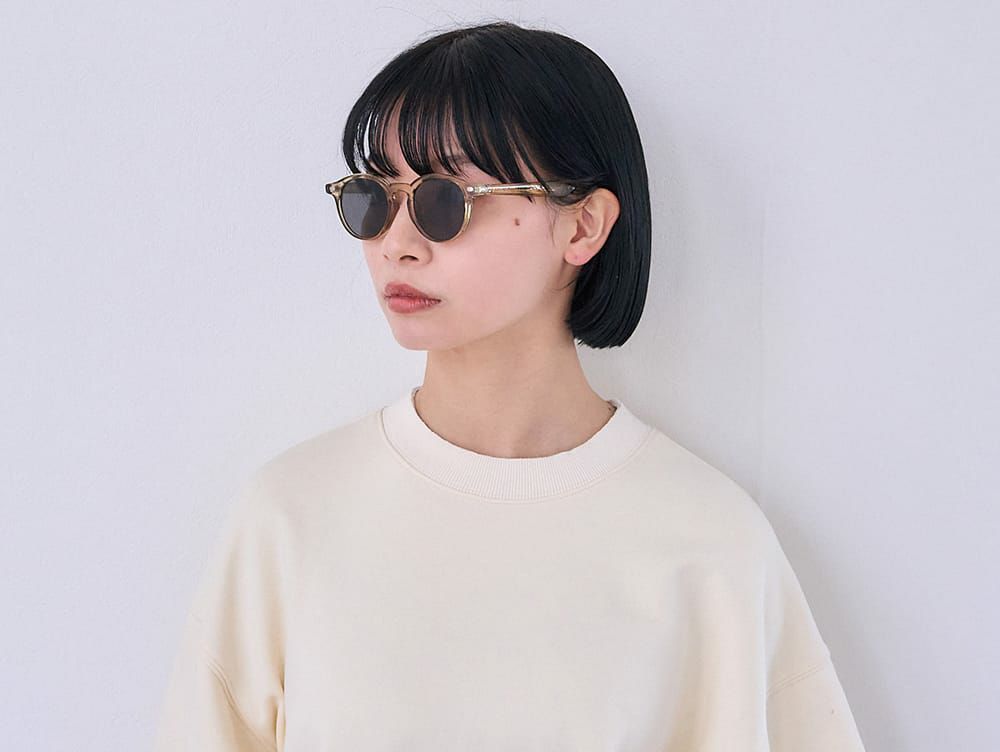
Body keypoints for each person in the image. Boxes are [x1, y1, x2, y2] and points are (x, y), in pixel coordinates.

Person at [152, 20, 867, 751]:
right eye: (374, 198)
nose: (397, 243)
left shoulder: (711, 544)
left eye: (444, 201)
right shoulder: (289, 519)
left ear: (583, 226)